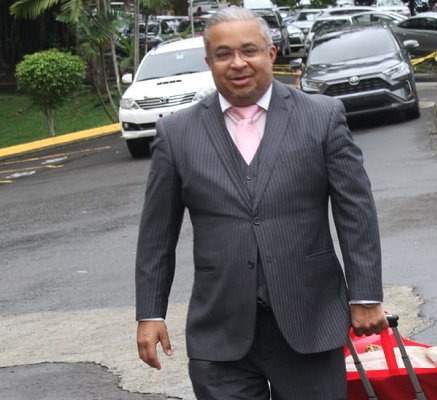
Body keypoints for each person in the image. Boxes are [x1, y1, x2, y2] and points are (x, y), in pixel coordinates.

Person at [135, 6, 388, 400]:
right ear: (209, 62)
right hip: (219, 332)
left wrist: (365, 295)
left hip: (311, 321)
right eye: (223, 54)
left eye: (249, 51)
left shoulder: (322, 117)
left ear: (270, 54)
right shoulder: (177, 132)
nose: (237, 63)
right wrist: (150, 313)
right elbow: (156, 234)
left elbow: (356, 211)